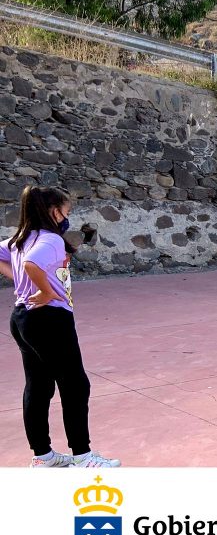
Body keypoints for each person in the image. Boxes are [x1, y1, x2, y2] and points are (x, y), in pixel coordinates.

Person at [0, 186, 120, 467]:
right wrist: (43, 290)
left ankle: (42, 456)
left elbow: (15, 261)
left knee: (39, 386)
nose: (67, 217)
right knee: (75, 385)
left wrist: (20, 282)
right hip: (49, 318)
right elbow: (31, 265)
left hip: (23, 318)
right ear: (54, 211)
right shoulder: (51, 239)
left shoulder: (22, 237)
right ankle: (83, 456)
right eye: (66, 212)